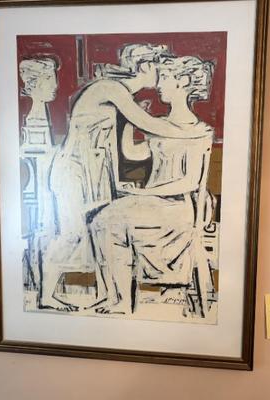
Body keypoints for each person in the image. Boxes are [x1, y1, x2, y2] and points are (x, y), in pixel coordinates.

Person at [39, 46, 210, 311]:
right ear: (145, 67)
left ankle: (113, 297)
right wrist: (194, 133)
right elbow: (148, 128)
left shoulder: (122, 95)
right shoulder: (111, 90)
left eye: (166, 75)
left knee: (98, 226)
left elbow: (146, 138)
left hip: (94, 171)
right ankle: (48, 296)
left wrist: (198, 134)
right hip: (75, 170)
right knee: (72, 234)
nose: (160, 79)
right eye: (159, 71)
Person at [90, 56, 215, 315]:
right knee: (102, 219)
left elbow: (189, 181)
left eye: (166, 77)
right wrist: (127, 121)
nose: (159, 84)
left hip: (176, 209)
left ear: (183, 82)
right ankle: (119, 298)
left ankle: (121, 300)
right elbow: (132, 152)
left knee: (108, 221)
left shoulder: (199, 131)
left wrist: (145, 191)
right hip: (151, 204)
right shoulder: (161, 124)